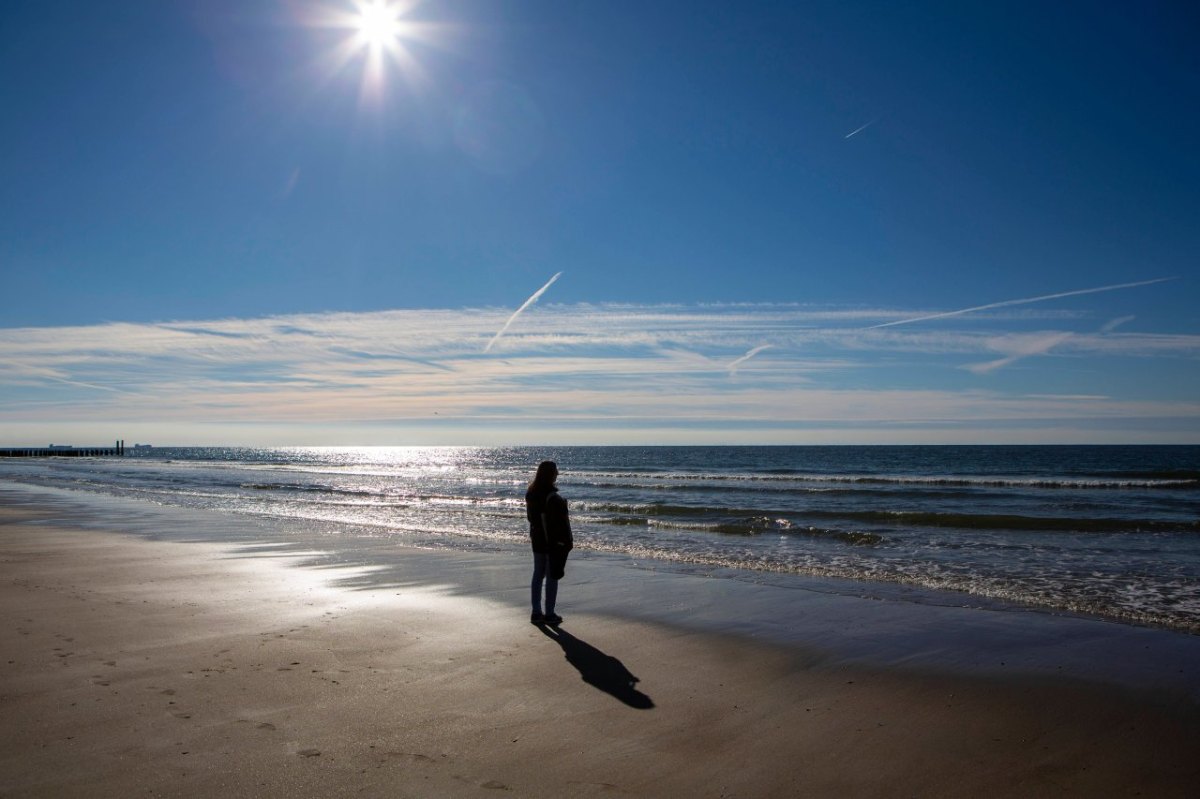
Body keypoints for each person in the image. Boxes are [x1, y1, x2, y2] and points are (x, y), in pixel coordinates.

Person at [525, 460, 573, 625]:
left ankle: (536, 612)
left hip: (537, 539)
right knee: (552, 575)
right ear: (550, 474)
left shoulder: (531, 493)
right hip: (551, 541)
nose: (557, 474)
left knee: (538, 573)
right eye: (555, 471)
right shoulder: (552, 498)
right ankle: (550, 612)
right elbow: (557, 524)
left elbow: (531, 518)